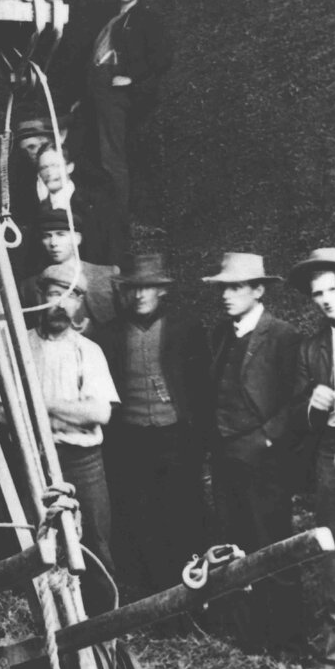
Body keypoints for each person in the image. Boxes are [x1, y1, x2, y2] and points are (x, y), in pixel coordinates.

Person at [0, 261, 119, 604]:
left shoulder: (88, 352)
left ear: (79, 304)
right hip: (31, 458)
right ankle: (37, 621)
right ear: (40, 297)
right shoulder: (18, 347)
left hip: (82, 463)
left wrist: (41, 404)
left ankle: (103, 624)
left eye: (71, 298)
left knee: (93, 544)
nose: (61, 305)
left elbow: (99, 412)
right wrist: (65, 408)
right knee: (30, 540)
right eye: (54, 295)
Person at [203, 253, 302, 654]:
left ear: (259, 290)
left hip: (265, 462)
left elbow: (298, 400)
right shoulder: (220, 334)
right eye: (223, 287)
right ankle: (249, 635)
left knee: (271, 542)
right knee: (235, 544)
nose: (227, 296)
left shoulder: (282, 335)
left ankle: (287, 639)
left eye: (237, 287)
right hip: (226, 458)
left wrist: (265, 438)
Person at [98, 254, 212, 594]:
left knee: (181, 513)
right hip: (130, 440)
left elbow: (201, 386)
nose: (139, 296)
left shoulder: (185, 329)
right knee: (138, 516)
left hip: (176, 438)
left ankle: (188, 591)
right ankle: (149, 595)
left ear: (162, 291)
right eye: (133, 289)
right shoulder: (111, 334)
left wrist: (198, 440)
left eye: (147, 288)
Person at [288, 248, 335, 666]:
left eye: (334, 288)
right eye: (318, 294)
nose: (327, 299)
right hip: (330, 455)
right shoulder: (310, 348)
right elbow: (297, 418)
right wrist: (313, 405)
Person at [78, 0, 172, 238]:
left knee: (113, 156)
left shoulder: (144, 19)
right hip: (97, 90)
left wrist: (132, 79)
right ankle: (98, 216)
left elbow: (163, 57)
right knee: (91, 151)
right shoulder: (112, 18)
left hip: (119, 93)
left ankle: (119, 220)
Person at [19, 208, 120, 336]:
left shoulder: (107, 276)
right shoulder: (29, 287)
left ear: (77, 238)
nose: (53, 243)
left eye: (61, 234)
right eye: (47, 236)